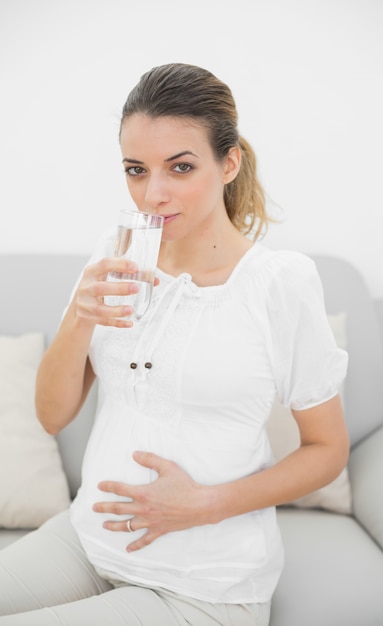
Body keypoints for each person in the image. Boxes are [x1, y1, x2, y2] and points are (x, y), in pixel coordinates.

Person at [0, 63, 349, 626]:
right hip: (87, 539)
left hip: (201, 585)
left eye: (180, 168)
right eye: (136, 170)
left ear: (228, 163)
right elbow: (51, 415)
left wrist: (205, 504)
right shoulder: (112, 253)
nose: (153, 194)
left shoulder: (278, 284)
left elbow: (327, 450)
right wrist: (78, 318)